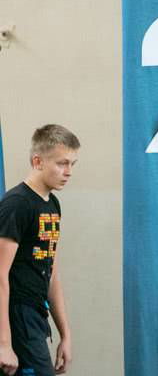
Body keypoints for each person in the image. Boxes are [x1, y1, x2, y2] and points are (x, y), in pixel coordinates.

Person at [0, 125, 77, 376]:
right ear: (37, 161)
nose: (68, 172)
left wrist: (65, 334)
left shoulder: (52, 204)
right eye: (62, 163)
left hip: (36, 316)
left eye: (72, 164)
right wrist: (4, 344)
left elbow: (50, 269)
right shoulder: (17, 205)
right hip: (16, 318)